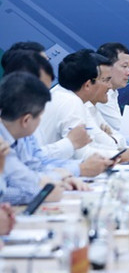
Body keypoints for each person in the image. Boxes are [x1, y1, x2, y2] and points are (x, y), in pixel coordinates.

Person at [0, 72, 90, 206]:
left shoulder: (11, 139)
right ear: (26, 120)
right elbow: (4, 193)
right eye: (40, 117)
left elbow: (27, 174)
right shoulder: (4, 141)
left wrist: (60, 179)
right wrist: (42, 193)